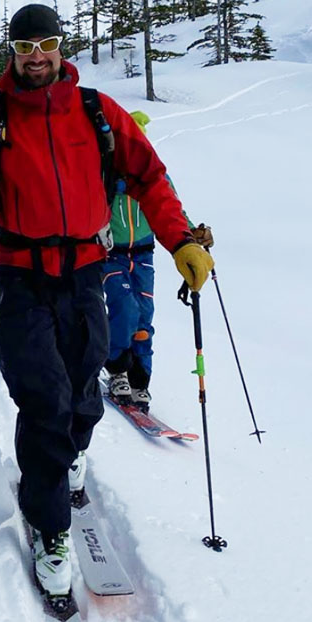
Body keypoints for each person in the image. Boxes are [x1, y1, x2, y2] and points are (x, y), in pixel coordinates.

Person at [0, 3, 214, 599]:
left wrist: (180, 242)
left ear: (61, 46)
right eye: (24, 46)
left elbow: (149, 176)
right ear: (11, 53)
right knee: (43, 398)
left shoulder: (97, 111)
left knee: (83, 387)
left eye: (47, 43)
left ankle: (74, 454)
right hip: (22, 275)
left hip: (86, 273)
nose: (36, 55)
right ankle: (51, 529)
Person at [101, 110, 213, 412]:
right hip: (111, 254)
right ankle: (117, 370)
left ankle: (140, 380)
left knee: (144, 314)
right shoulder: (105, 174)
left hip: (144, 253)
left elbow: (170, 208)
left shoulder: (155, 175)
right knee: (124, 306)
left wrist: (190, 235)